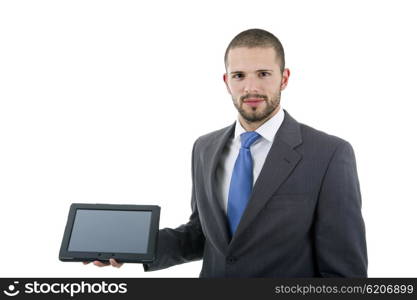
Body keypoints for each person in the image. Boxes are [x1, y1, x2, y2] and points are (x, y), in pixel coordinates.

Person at [84, 28, 368, 277]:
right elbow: (202, 236)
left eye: (264, 74)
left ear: (284, 78)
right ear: (226, 81)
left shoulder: (330, 154)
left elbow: (345, 273)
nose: (251, 87)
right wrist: (131, 246)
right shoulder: (204, 148)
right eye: (239, 75)